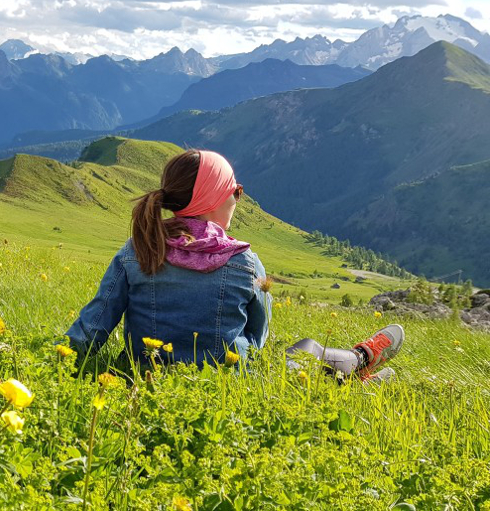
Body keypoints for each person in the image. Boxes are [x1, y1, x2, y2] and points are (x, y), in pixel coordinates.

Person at [63, 148, 403, 382]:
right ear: (213, 200)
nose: (237, 199)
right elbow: (258, 337)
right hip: (228, 381)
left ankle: (362, 369)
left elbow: (92, 329)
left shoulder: (137, 250)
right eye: (235, 190)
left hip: (146, 375)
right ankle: (360, 360)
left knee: (304, 354)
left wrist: (51, 365)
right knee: (305, 351)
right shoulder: (245, 262)